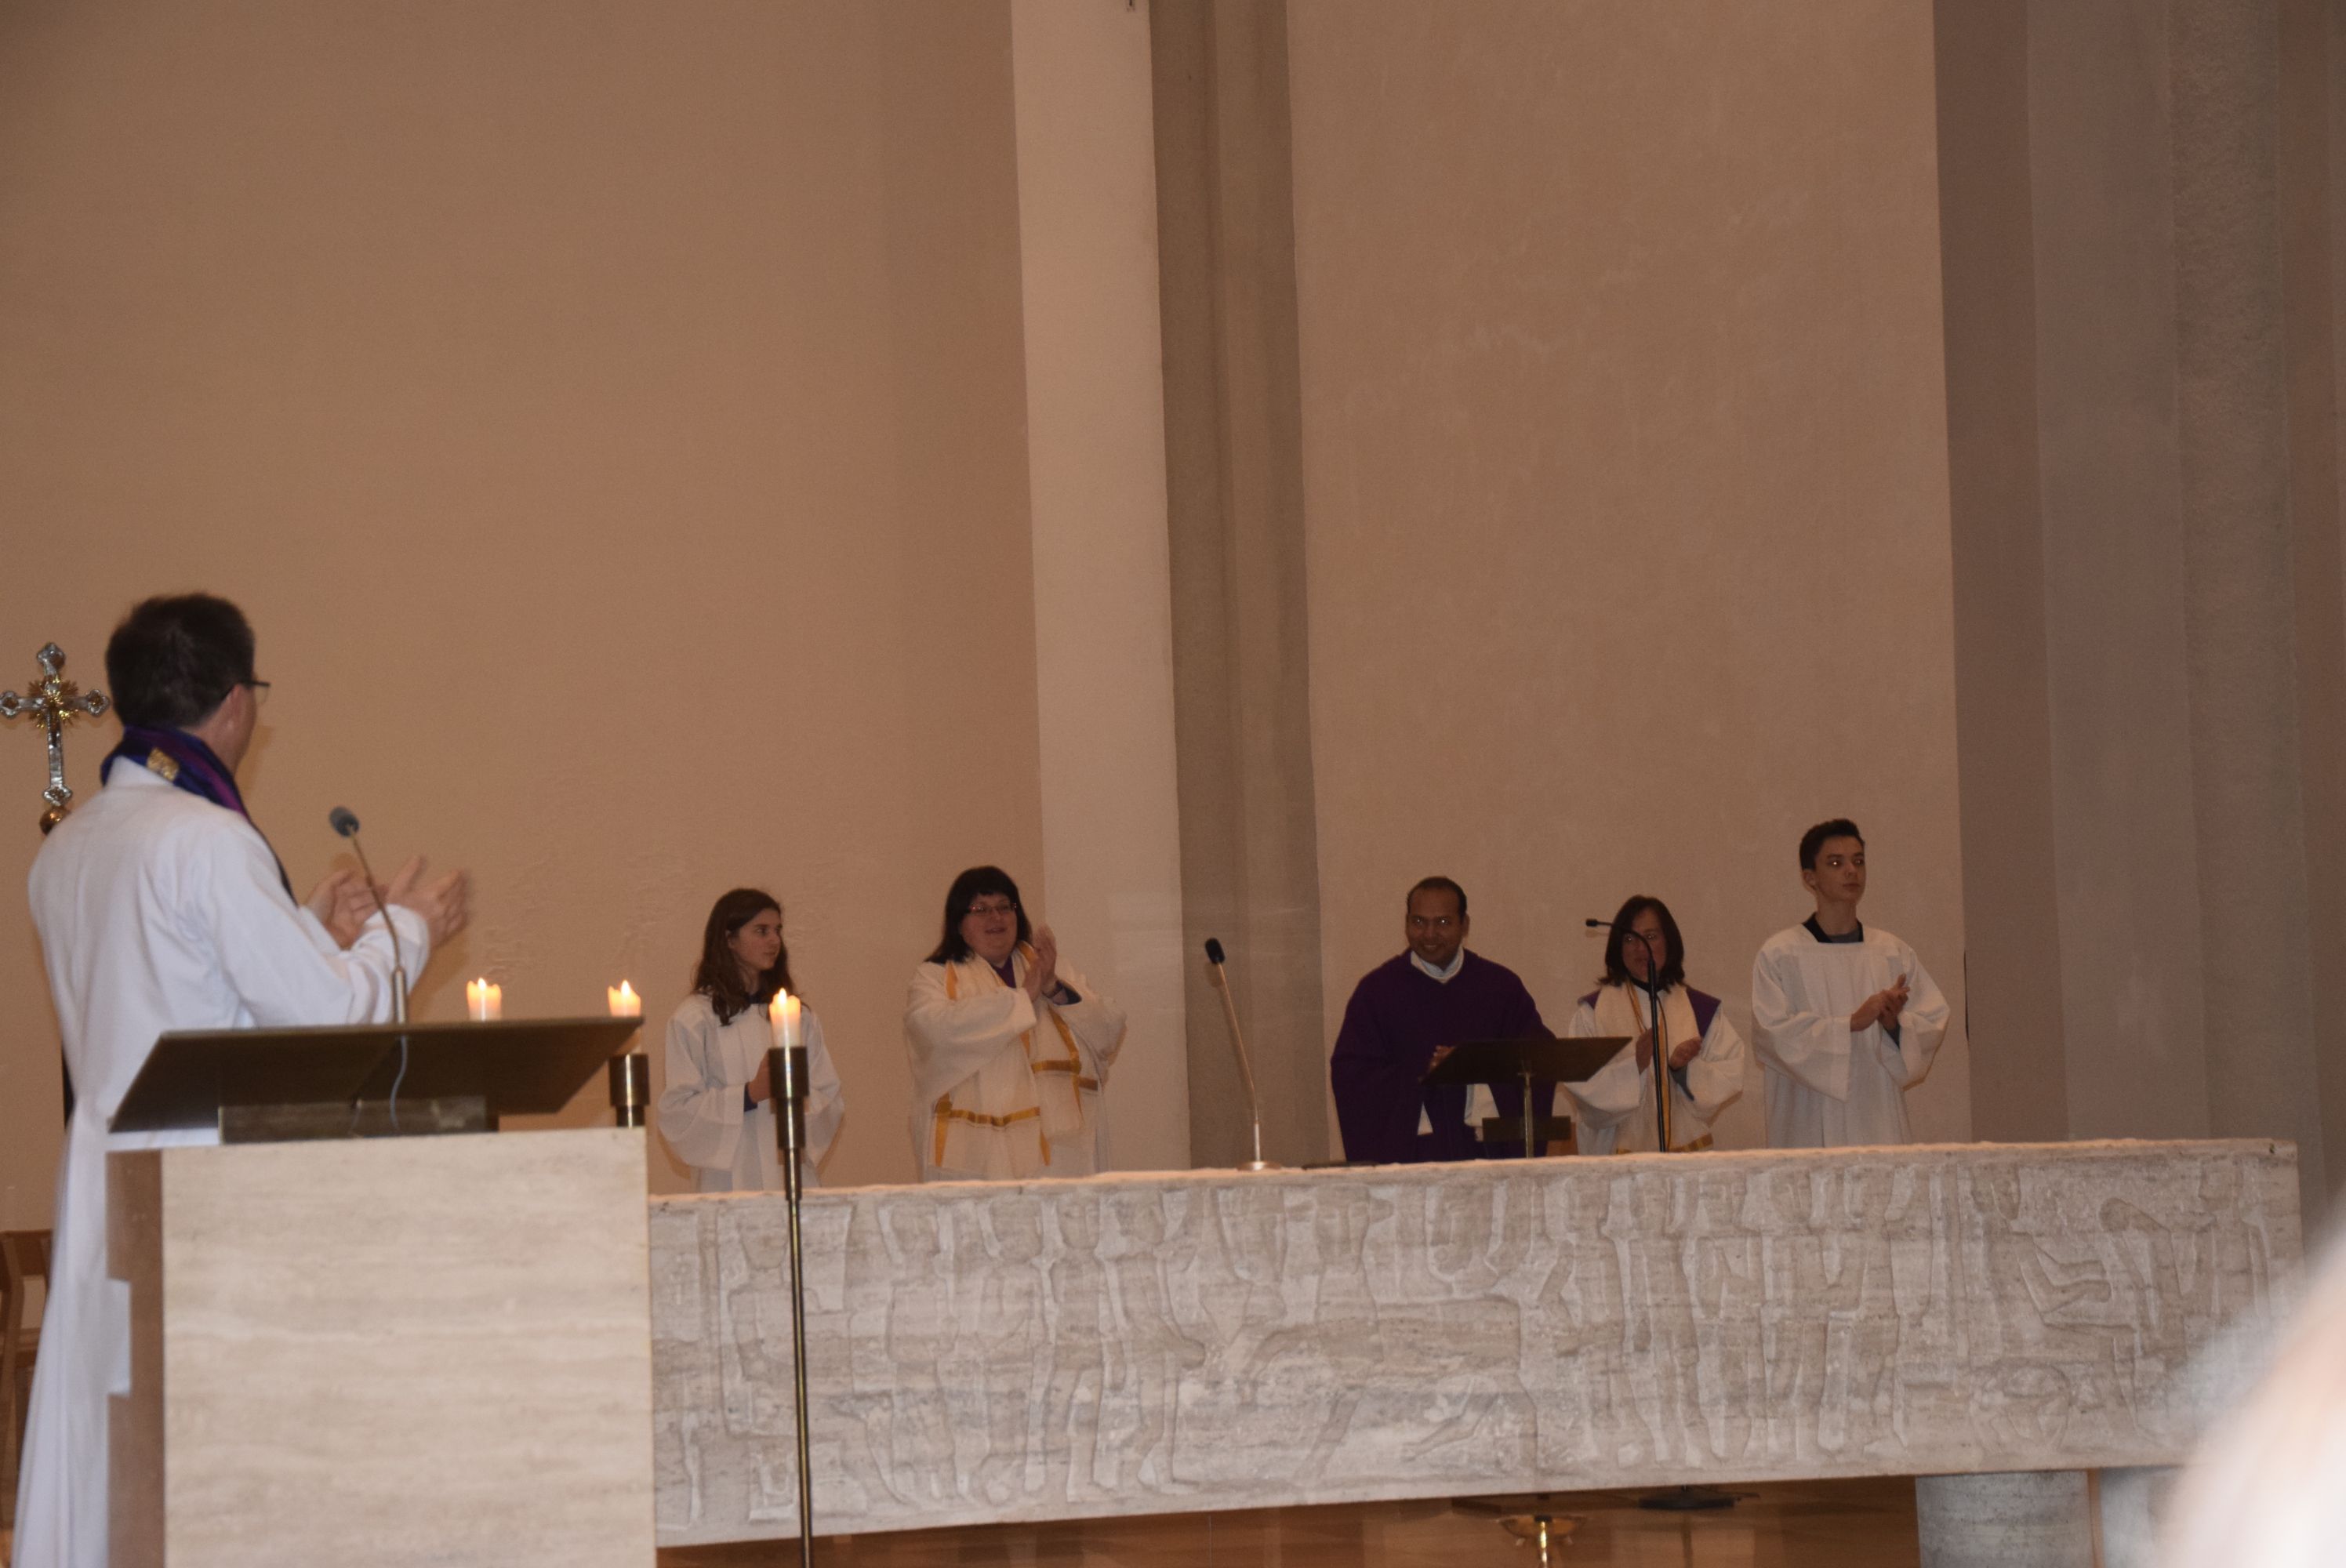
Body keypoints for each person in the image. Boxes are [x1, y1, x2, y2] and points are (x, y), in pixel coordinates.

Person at [14, 593, 470, 1568]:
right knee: (208, 1465)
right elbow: (321, 1019)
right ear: (235, 700)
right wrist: (411, 929)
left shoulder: (68, 850)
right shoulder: (207, 839)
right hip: (201, 1192)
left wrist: (307, 927)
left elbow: (174, 998)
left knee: (114, 1447)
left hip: (105, 1185)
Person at [903, 866, 1126, 1181]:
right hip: (977, 1159)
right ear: (959, 923)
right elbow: (935, 1034)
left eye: (1004, 907)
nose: (996, 918)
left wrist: (1054, 989)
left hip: (1061, 1153)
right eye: (981, 909)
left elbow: (1108, 1031)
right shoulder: (936, 977)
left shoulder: (1052, 970)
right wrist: (1021, 1000)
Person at [1751, 818, 1948, 1148]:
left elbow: (1932, 1020)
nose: (1851, 871)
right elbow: (1771, 1036)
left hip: (1878, 1117)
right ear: (1809, 878)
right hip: (1807, 1121)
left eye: (1858, 861)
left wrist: (1894, 1027)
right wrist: (1850, 1024)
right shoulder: (1780, 954)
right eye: (1835, 863)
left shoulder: (1892, 953)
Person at [1330, 876, 1549, 1163]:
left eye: (1443, 922)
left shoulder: (1499, 987)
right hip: (1414, 1156)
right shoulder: (1378, 992)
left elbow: (1540, 1059)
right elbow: (1352, 1075)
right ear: (1406, 923)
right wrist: (1422, 1074)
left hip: (1486, 1153)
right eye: (1419, 922)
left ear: (1464, 925)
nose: (1429, 934)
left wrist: (1476, 1063)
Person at [656, 888, 844, 1190]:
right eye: (761, 931)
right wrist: (748, 1094)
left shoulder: (799, 1017)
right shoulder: (695, 1019)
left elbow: (828, 1096)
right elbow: (678, 1113)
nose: (774, 941)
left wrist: (795, 1096)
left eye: (777, 930)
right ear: (729, 940)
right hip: (727, 1183)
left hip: (791, 1179)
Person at [1554, 895, 1746, 1154]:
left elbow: (1730, 1075)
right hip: (1614, 1161)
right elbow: (1581, 1088)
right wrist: (1634, 1067)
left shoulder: (1701, 1010)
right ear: (1617, 947)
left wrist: (1683, 1071)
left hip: (1685, 1165)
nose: (1640, 948)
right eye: (1629, 939)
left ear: (1669, 941)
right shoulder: (1593, 1012)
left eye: (1651, 937)